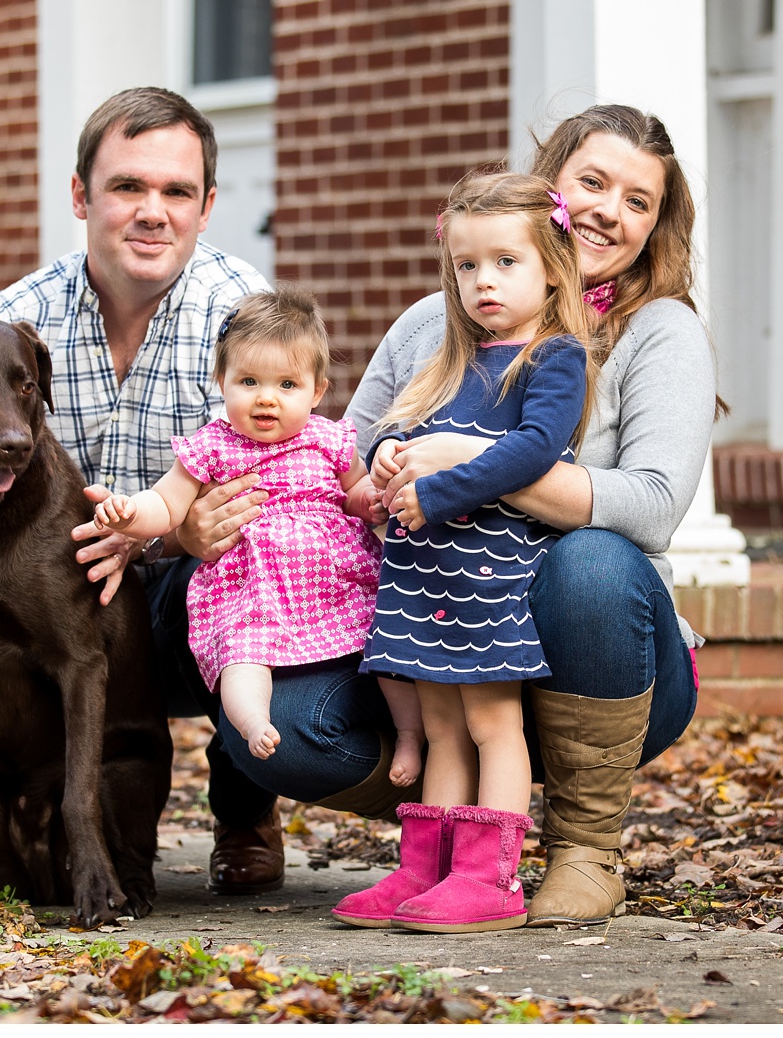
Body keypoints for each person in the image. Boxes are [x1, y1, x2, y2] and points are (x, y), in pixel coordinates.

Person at [149, 103, 714, 928]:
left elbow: (654, 506)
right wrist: (369, 481)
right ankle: (442, 854)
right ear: (546, 186)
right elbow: (355, 452)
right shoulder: (435, 319)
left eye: (638, 201)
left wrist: (459, 464)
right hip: (437, 612)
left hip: (597, 653)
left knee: (591, 560)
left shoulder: (657, 332)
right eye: (592, 181)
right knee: (278, 729)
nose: (607, 210)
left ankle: (585, 848)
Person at [0, 86, 337, 895]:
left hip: (190, 593)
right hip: (51, 597)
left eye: (176, 191)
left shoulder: (242, 318)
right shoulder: (20, 314)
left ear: (207, 206)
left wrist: (170, 532)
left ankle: (244, 806)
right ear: (81, 196)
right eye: (128, 187)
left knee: (249, 615)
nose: (153, 211)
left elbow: (283, 487)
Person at [333, 172, 592, 933]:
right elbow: (395, 425)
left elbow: (536, 451)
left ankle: (491, 877)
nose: (484, 281)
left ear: (552, 265)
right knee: (442, 726)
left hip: (487, 576)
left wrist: (441, 491)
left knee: (490, 724)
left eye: (506, 262)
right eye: (468, 264)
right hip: (419, 575)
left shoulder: (554, 358)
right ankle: (426, 870)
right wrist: (384, 459)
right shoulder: (453, 355)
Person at [92, 288, 423, 784]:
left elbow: (353, 489)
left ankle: (412, 738)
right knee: (242, 658)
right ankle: (253, 723)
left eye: (287, 384)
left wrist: (370, 501)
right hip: (255, 591)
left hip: (341, 583)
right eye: (249, 381)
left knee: (386, 652)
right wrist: (127, 512)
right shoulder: (211, 447)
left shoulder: (328, 438)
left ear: (315, 392)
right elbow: (166, 504)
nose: (266, 397)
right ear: (222, 382)